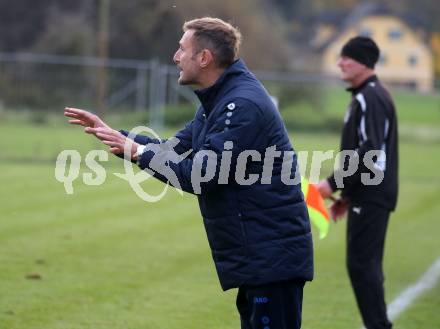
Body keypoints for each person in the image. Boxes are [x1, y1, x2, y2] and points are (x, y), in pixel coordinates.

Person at [65, 17, 313, 329]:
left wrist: (137, 151)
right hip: (260, 259)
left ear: (204, 58)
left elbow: (200, 176)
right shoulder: (219, 102)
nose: (176, 57)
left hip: (272, 258)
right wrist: (118, 137)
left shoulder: (242, 104)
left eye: (182, 49)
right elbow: (174, 150)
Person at [317, 36, 398, 329]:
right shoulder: (365, 95)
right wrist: (349, 195)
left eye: (346, 57)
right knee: (364, 265)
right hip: (366, 193)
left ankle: (379, 325)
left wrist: (332, 183)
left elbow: (370, 153)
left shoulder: (370, 97)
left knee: (363, 265)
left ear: (363, 62)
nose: (340, 63)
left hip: (373, 195)